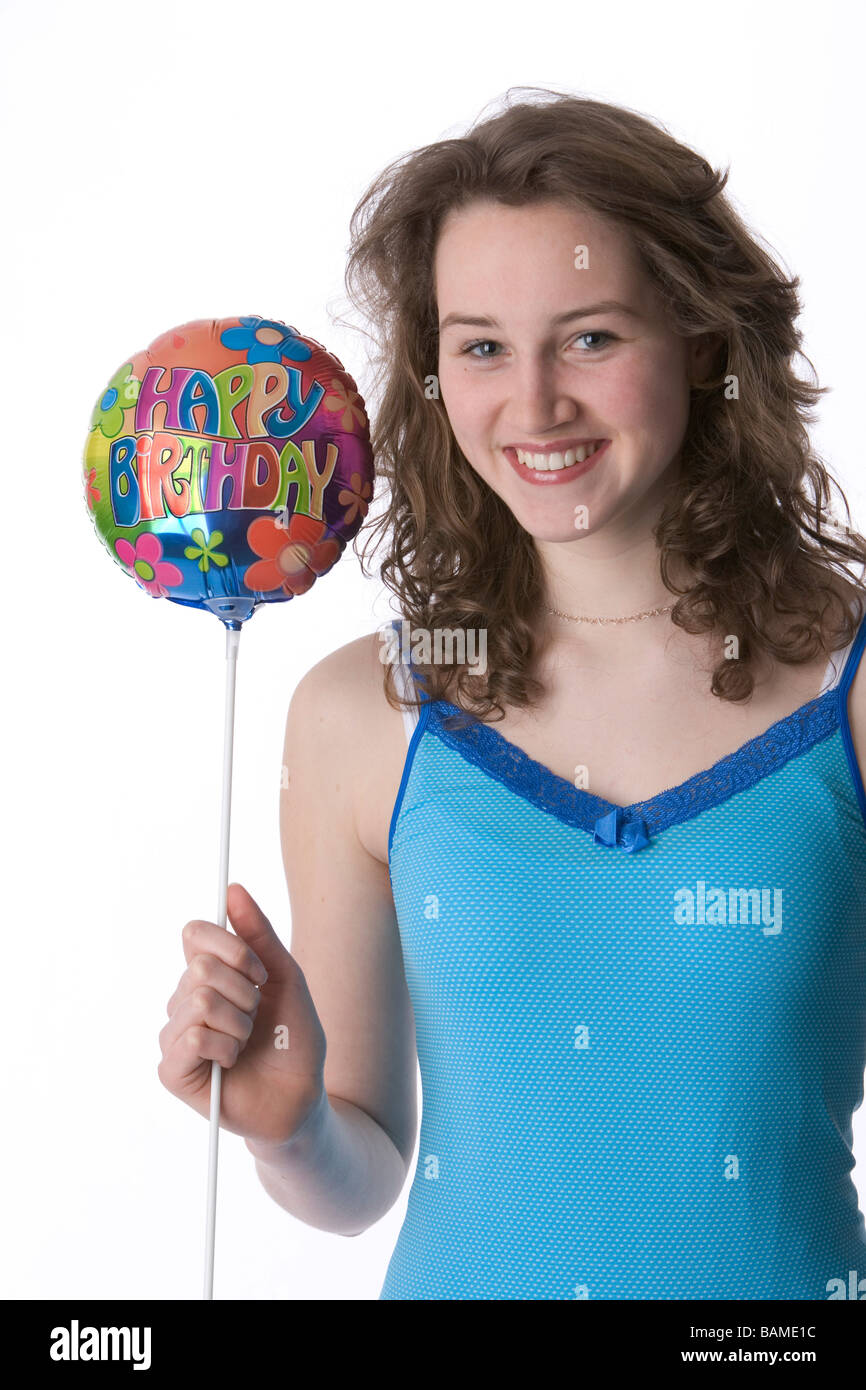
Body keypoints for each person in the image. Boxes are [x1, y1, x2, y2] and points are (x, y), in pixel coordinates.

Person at [158, 89, 866, 1300]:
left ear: (700, 342)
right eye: (480, 346)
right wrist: (283, 1125)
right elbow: (362, 1166)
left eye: (588, 337)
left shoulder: (846, 690)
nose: (532, 406)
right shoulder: (358, 714)